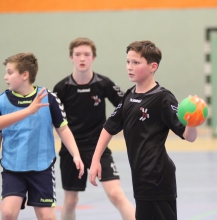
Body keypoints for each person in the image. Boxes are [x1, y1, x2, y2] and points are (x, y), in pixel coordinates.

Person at [89, 40, 198, 220]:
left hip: (158, 178)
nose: (129, 67)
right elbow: (109, 128)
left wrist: (193, 122)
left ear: (152, 66)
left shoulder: (163, 98)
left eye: (136, 63)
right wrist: (95, 160)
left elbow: (188, 136)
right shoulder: (129, 96)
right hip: (140, 180)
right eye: (128, 62)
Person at [53, 37, 135, 220]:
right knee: (71, 200)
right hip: (71, 150)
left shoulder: (103, 84)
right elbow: (53, 120)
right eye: (78, 54)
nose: (82, 58)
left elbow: (126, 106)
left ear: (93, 58)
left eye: (87, 54)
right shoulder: (61, 88)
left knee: (115, 194)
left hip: (98, 147)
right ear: (71, 58)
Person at [0, 53, 84, 220]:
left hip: (41, 168)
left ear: (25, 75)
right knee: (8, 212)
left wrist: (76, 154)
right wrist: (28, 111)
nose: (5, 76)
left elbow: (63, 129)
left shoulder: (49, 99)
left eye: (10, 72)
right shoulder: (3, 101)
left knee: (46, 216)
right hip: (12, 168)